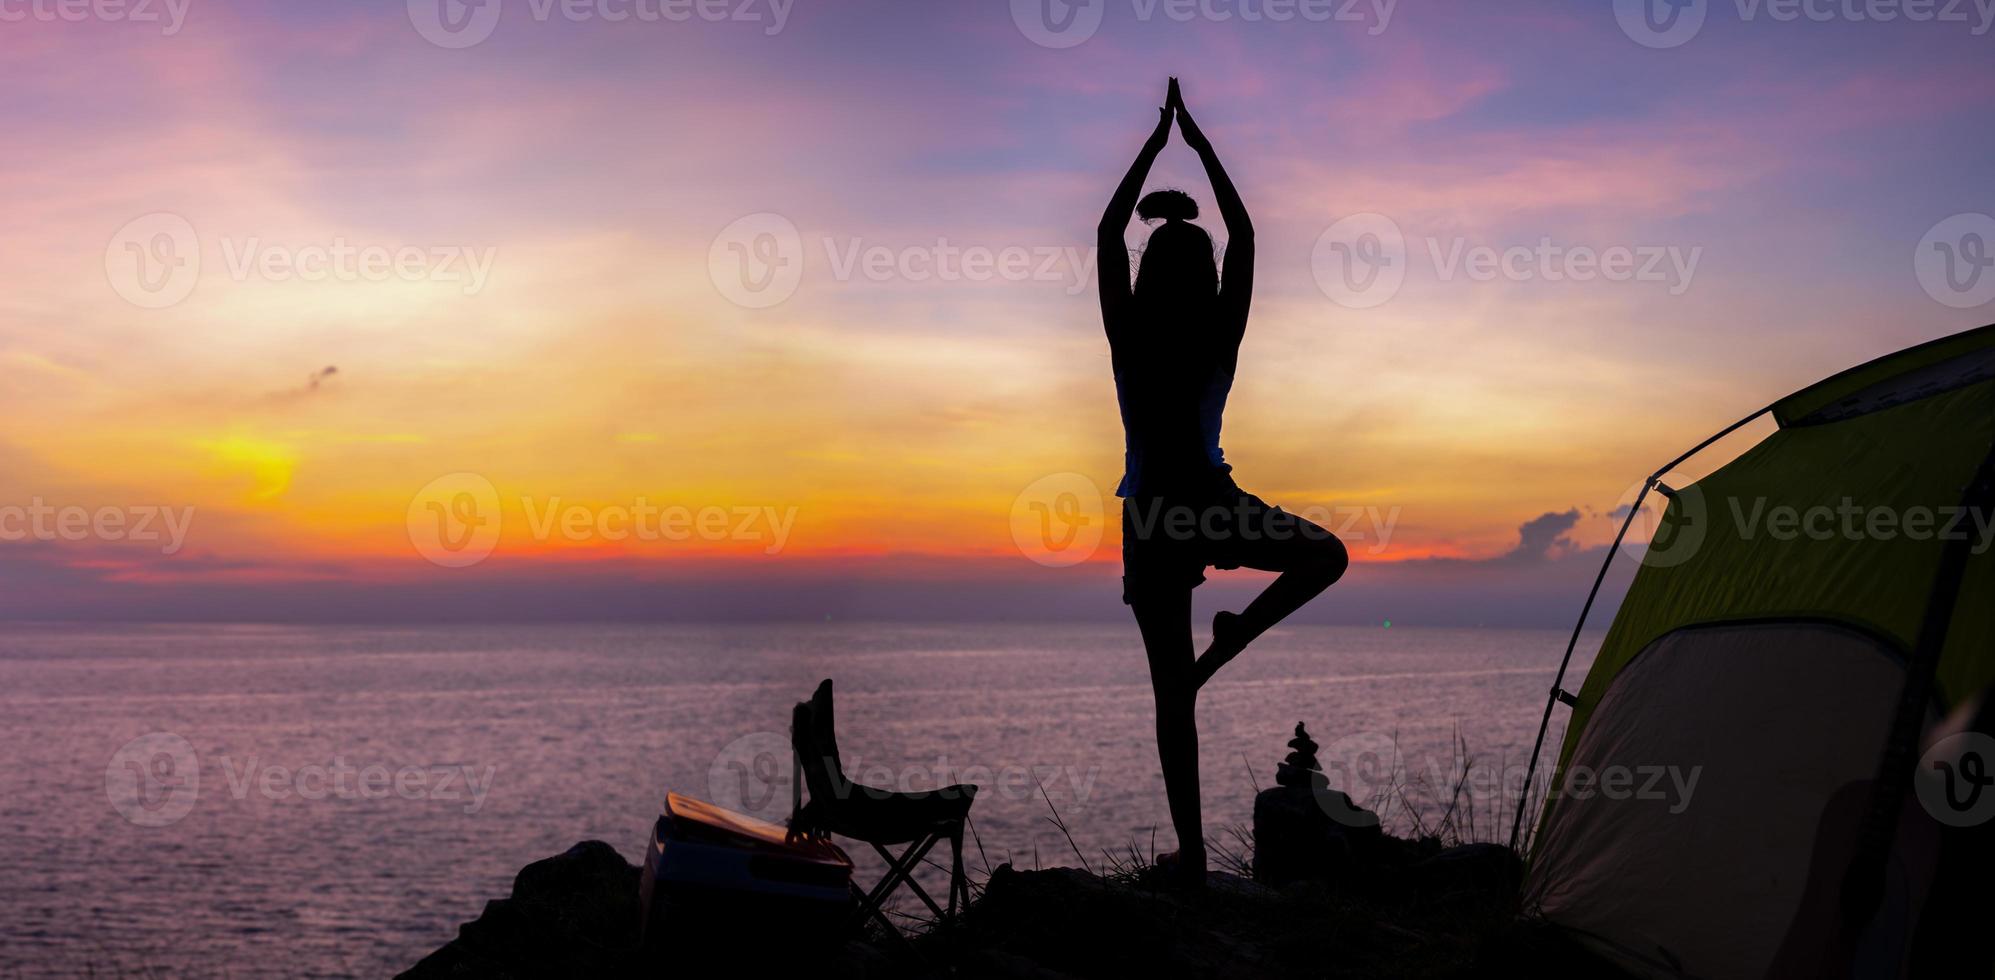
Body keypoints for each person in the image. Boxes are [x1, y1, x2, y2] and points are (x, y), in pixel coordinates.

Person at [1097, 78, 1349, 885]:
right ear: (1204, 273)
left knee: (1172, 700)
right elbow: (1242, 233)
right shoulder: (1217, 335)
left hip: (1151, 519)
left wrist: (1153, 143)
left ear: (1147, 271)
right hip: (1210, 504)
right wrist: (1198, 144)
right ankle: (1235, 638)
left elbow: (1106, 231)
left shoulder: (1128, 335)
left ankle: (1194, 858)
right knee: (1326, 555)